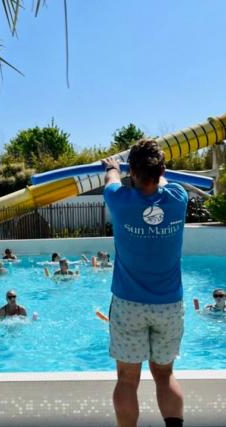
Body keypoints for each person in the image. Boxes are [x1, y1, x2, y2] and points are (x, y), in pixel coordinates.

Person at [102, 139, 188, 427]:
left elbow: (111, 177)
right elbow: (161, 179)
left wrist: (114, 168)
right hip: (169, 304)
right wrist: (155, 169)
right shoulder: (178, 197)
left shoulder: (119, 199)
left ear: (133, 173)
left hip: (129, 304)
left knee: (127, 379)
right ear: (161, 169)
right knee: (165, 375)